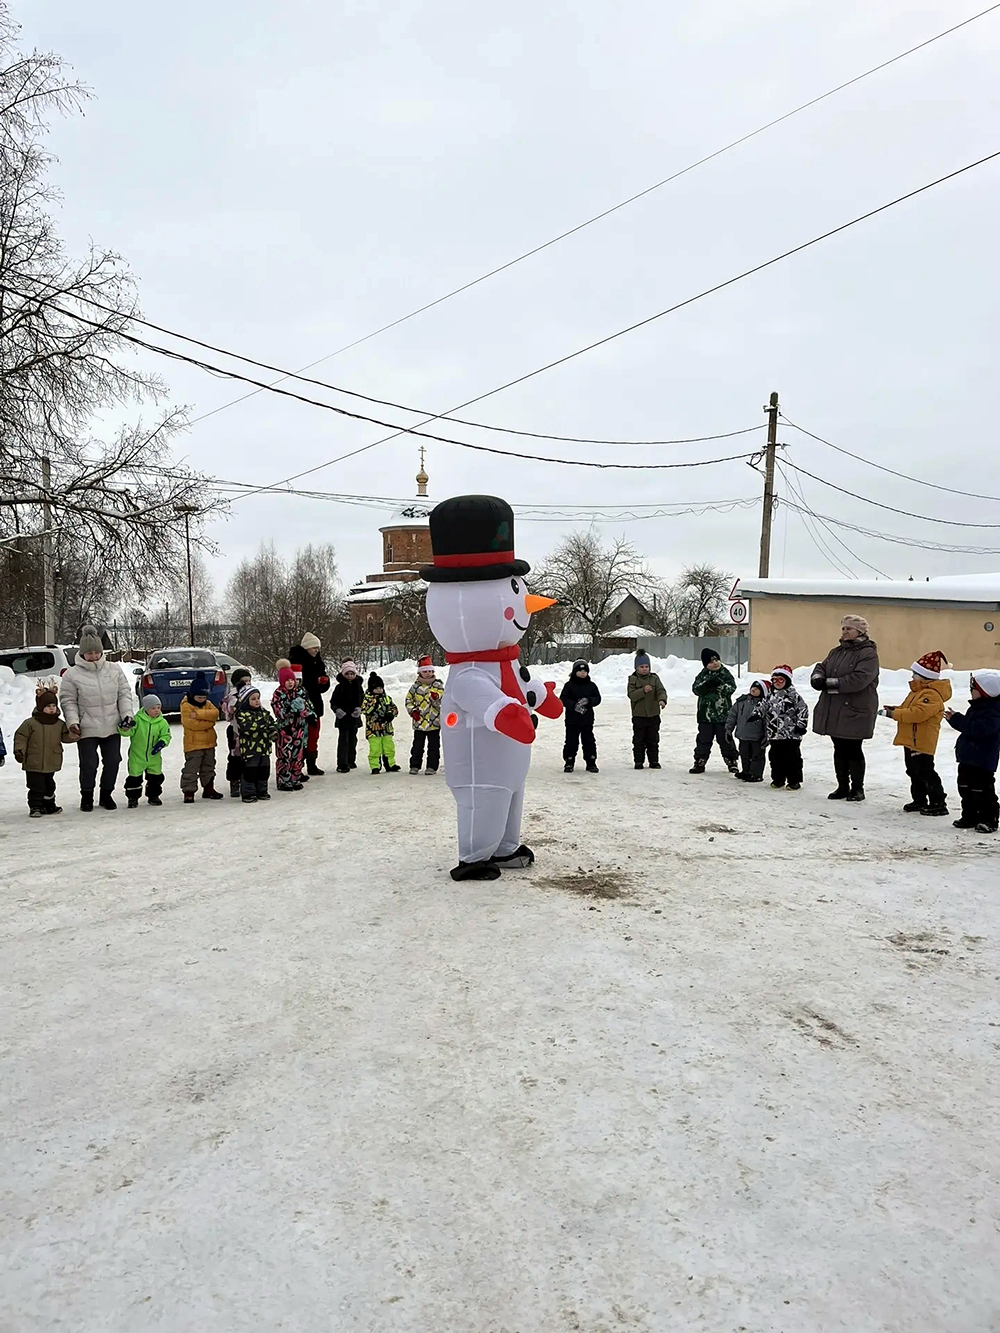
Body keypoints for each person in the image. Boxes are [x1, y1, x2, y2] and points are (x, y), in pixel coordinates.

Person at [59, 624, 134, 811]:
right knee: (89, 764)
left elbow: (124, 695)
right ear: (82, 654)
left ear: (101, 652)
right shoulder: (72, 674)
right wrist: (73, 722)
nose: (93, 656)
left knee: (113, 761)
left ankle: (106, 795)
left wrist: (127, 715)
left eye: (96, 652)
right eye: (89, 653)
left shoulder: (114, 669)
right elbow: (68, 701)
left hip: (111, 725)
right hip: (87, 727)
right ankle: (87, 796)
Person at [811, 615, 880, 802]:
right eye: (843, 628)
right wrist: (817, 677)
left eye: (849, 628)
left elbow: (859, 679)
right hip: (835, 708)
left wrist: (829, 684)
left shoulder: (868, 654)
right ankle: (842, 786)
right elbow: (822, 667)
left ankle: (857, 788)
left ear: (860, 631)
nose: (845, 631)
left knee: (853, 748)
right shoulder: (836, 651)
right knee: (839, 748)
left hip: (855, 709)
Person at [882, 650, 951, 817]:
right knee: (913, 771)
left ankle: (938, 803)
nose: (912, 677)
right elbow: (909, 709)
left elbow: (918, 714)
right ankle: (919, 799)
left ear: (925, 677)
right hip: (911, 740)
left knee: (925, 772)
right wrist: (896, 709)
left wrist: (893, 714)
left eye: (915, 674)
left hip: (922, 741)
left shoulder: (931, 695)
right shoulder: (917, 692)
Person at [945, 668, 1000, 833]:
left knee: (982, 790)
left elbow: (977, 729)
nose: (971, 691)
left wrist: (957, 719)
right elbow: (968, 727)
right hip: (968, 756)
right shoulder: (976, 708)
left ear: (985, 692)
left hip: (982, 759)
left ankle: (989, 819)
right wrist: (955, 719)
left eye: (973, 689)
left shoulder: (994, 712)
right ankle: (970, 816)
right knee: (965, 787)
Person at [12, 688, 74, 816]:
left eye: (54, 706)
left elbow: (65, 737)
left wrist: (74, 735)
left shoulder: (59, 724)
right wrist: (19, 750)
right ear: (41, 707)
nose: (51, 709)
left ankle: (49, 805)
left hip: (51, 760)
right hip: (34, 762)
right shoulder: (30, 723)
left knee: (50, 786)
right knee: (36, 786)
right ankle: (35, 807)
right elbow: (21, 737)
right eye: (48, 706)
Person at [690, 649, 739, 774]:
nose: (715, 663)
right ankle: (700, 761)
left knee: (725, 739)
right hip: (705, 717)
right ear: (706, 664)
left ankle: (731, 760)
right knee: (703, 740)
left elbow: (732, 687)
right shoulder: (703, 675)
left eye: (716, 660)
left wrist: (720, 685)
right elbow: (696, 689)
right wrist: (707, 684)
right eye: (711, 662)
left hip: (723, 716)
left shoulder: (725, 674)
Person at [288, 632, 330, 776]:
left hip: (315, 703)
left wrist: (324, 682)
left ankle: (312, 764)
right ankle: (297, 767)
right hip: (300, 704)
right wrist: (315, 682)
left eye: (318, 648)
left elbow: (321, 686)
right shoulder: (296, 662)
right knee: (300, 737)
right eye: (314, 647)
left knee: (313, 735)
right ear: (306, 648)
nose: (316, 650)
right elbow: (297, 685)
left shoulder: (319, 662)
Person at [119, 694, 171, 808]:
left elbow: (166, 735)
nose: (156, 710)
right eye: (153, 708)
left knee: (155, 778)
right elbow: (128, 732)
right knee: (134, 778)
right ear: (146, 709)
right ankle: (133, 798)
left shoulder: (162, 722)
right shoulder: (137, 719)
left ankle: (153, 796)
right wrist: (124, 728)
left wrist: (162, 742)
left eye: (158, 708)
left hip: (154, 756)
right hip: (137, 756)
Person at [763, 666, 809, 790]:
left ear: (787, 681)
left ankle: (794, 780)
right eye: (774, 680)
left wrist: (801, 725)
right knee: (775, 757)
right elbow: (763, 706)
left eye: (781, 680)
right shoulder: (770, 696)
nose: (777, 683)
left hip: (791, 734)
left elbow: (803, 710)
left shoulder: (793, 696)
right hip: (774, 733)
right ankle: (778, 779)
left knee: (792, 758)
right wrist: (756, 714)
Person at [180, 671, 223, 803]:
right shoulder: (186, 705)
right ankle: (189, 791)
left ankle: (209, 789)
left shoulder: (208, 704)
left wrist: (198, 714)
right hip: (193, 745)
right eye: (199, 697)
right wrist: (209, 722)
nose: (201, 700)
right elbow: (192, 724)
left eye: (204, 697)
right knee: (191, 769)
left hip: (209, 743)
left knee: (208, 767)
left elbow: (215, 714)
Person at [272, 661, 315, 791]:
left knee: (297, 755)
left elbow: (308, 706)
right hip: (285, 731)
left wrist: (309, 714)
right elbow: (279, 712)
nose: (290, 682)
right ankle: (283, 780)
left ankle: (295, 778)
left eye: (292, 679)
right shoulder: (278, 694)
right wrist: (292, 708)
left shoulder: (300, 692)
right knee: (285, 756)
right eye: (287, 680)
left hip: (299, 729)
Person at [235, 683, 278, 802]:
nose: (257, 701)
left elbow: (272, 724)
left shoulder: (264, 713)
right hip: (250, 749)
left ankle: (262, 790)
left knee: (264, 770)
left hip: (264, 748)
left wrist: (273, 732)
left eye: (258, 698)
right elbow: (246, 727)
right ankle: (248, 793)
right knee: (250, 771)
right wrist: (261, 724)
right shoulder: (242, 714)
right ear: (246, 701)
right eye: (253, 699)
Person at [627, 650, 667, 770]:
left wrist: (662, 700)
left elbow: (661, 690)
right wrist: (643, 691)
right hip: (639, 715)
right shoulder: (633, 680)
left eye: (646, 666)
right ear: (636, 668)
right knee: (639, 740)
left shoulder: (654, 678)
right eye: (642, 667)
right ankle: (639, 761)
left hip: (653, 714)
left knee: (653, 740)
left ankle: (654, 761)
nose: (644, 669)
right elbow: (632, 695)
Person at [559, 660, 602, 773]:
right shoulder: (569, 685)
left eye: (585, 671)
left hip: (587, 719)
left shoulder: (591, 685)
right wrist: (573, 706)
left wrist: (589, 700)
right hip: (572, 719)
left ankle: (591, 762)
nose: (583, 673)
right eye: (580, 670)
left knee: (589, 741)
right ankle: (569, 761)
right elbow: (563, 698)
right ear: (574, 672)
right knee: (571, 741)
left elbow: (597, 698)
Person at [725, 678, 770, 782]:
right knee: (744, 755)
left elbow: (767, 722)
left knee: (757, 756)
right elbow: (732, 716)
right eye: (752, 687)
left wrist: (767, 736)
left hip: (757, 737)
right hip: (743, 735)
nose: (753, 689)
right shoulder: (741, 702)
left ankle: (756, 774)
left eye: (757, 689)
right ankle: (746, 771)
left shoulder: (764, 705)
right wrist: (728, 729)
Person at [405, 656, 443, 775]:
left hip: (434, 722)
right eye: (425, 671)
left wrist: (436, 698)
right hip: (419, 722)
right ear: (420, 672)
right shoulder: (415, 687)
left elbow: (443, 699)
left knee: (433, 746)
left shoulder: (438, 685)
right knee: (417, 745)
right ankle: (415, 765)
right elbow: (408, 700)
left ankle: (432, 766)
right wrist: (413, 712)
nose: (428, 674)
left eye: (430, 671)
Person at [221, 666, 252, 797]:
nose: (247, 683)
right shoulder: (233, 695)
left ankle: (247, 780)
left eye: (249, 680)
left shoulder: (251, 693)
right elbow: (229, 713)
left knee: (249, 756)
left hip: (250, 730)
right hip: (235, 731)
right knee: (235, 757)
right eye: (244, 681)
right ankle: (234, 781)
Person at [363, 671, 400, 773]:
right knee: (375, 748)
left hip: (386, 729)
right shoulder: (367, 699)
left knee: (389, 747)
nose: (379, 690)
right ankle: (375, 766)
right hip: (373, 730)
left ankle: (390, 764)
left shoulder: (387, 698)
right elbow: (365, 710)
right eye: (376, 688)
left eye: (380, 688)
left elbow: (394, 708)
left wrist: (391, 714)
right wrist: (374, 705)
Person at [330, 660, 364, 773]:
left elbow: (363, 700)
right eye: (347, 674)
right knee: (343, 741)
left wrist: (359, 709)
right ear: (343, 674)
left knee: (353, 740)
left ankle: (351, 760)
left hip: (354, 718)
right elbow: (333, 702)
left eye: (352, 673)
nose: (349, 676)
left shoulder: (358, 687)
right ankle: (342, 763)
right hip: (343, 718)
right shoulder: (339, 687)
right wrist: (337, 710)